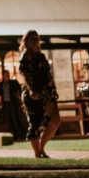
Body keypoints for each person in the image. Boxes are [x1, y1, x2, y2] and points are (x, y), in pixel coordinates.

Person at [17, 30, 61, 158]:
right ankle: (37, 153)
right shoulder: (25, 56)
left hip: (47, 92)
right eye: (32, 39)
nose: (36, 41)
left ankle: (41, 147)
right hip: (33, 93)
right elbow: (24, 75)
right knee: (35, 123)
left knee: (55, 120)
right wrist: (31, 90)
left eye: (37, 38)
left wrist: (53, 90)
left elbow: (48, 75)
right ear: (27, 41)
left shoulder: (40, 56)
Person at [0, 70, 25, 140]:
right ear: (3, 76)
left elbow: (19, 89)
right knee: (8, 120)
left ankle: (20, 135)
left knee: (15, 119)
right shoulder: (0, 85)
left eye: (7, 75)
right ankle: (13, 136)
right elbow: (0, 95)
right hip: (6, 104)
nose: (6, 76)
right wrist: (0, 104)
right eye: (5, 75)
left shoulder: (13, 82)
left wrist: (18, 97)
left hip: (13, 103)